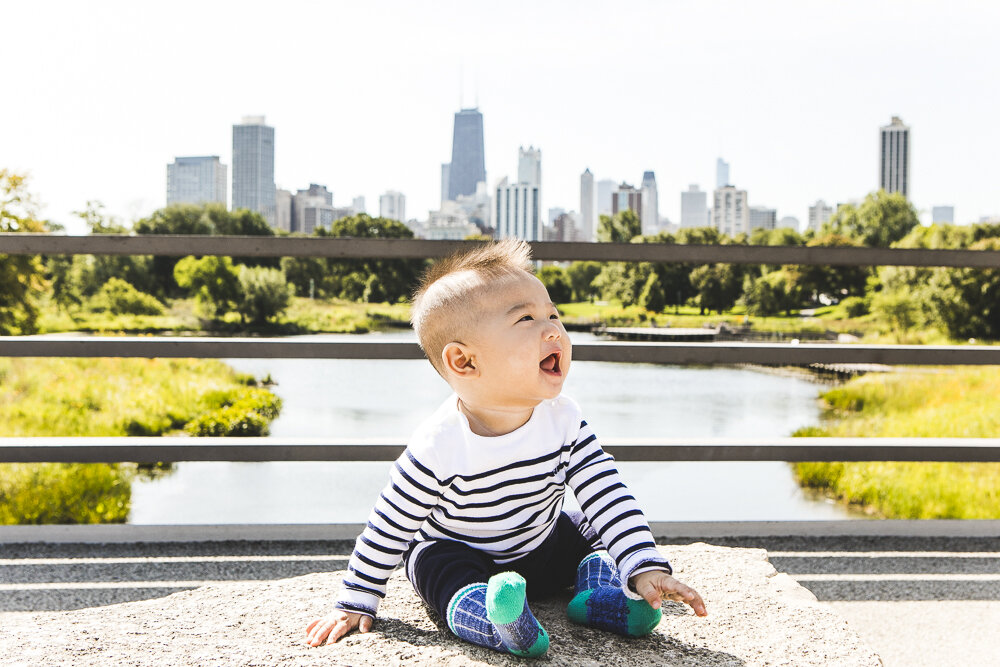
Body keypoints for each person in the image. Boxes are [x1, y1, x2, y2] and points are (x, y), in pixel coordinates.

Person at [306, 239, 707, 657]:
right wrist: (357, 597)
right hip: (464, 554)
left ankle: (603, 598)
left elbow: (607, 492)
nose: (554, 329)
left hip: (540, 546)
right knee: (431, 563)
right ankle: (500, 623)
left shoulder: (564, 418)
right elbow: (390, 523)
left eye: (554, 314)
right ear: (465, 362)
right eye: (527, 319)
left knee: (590, 526)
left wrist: (645, 565)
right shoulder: (440, 443)